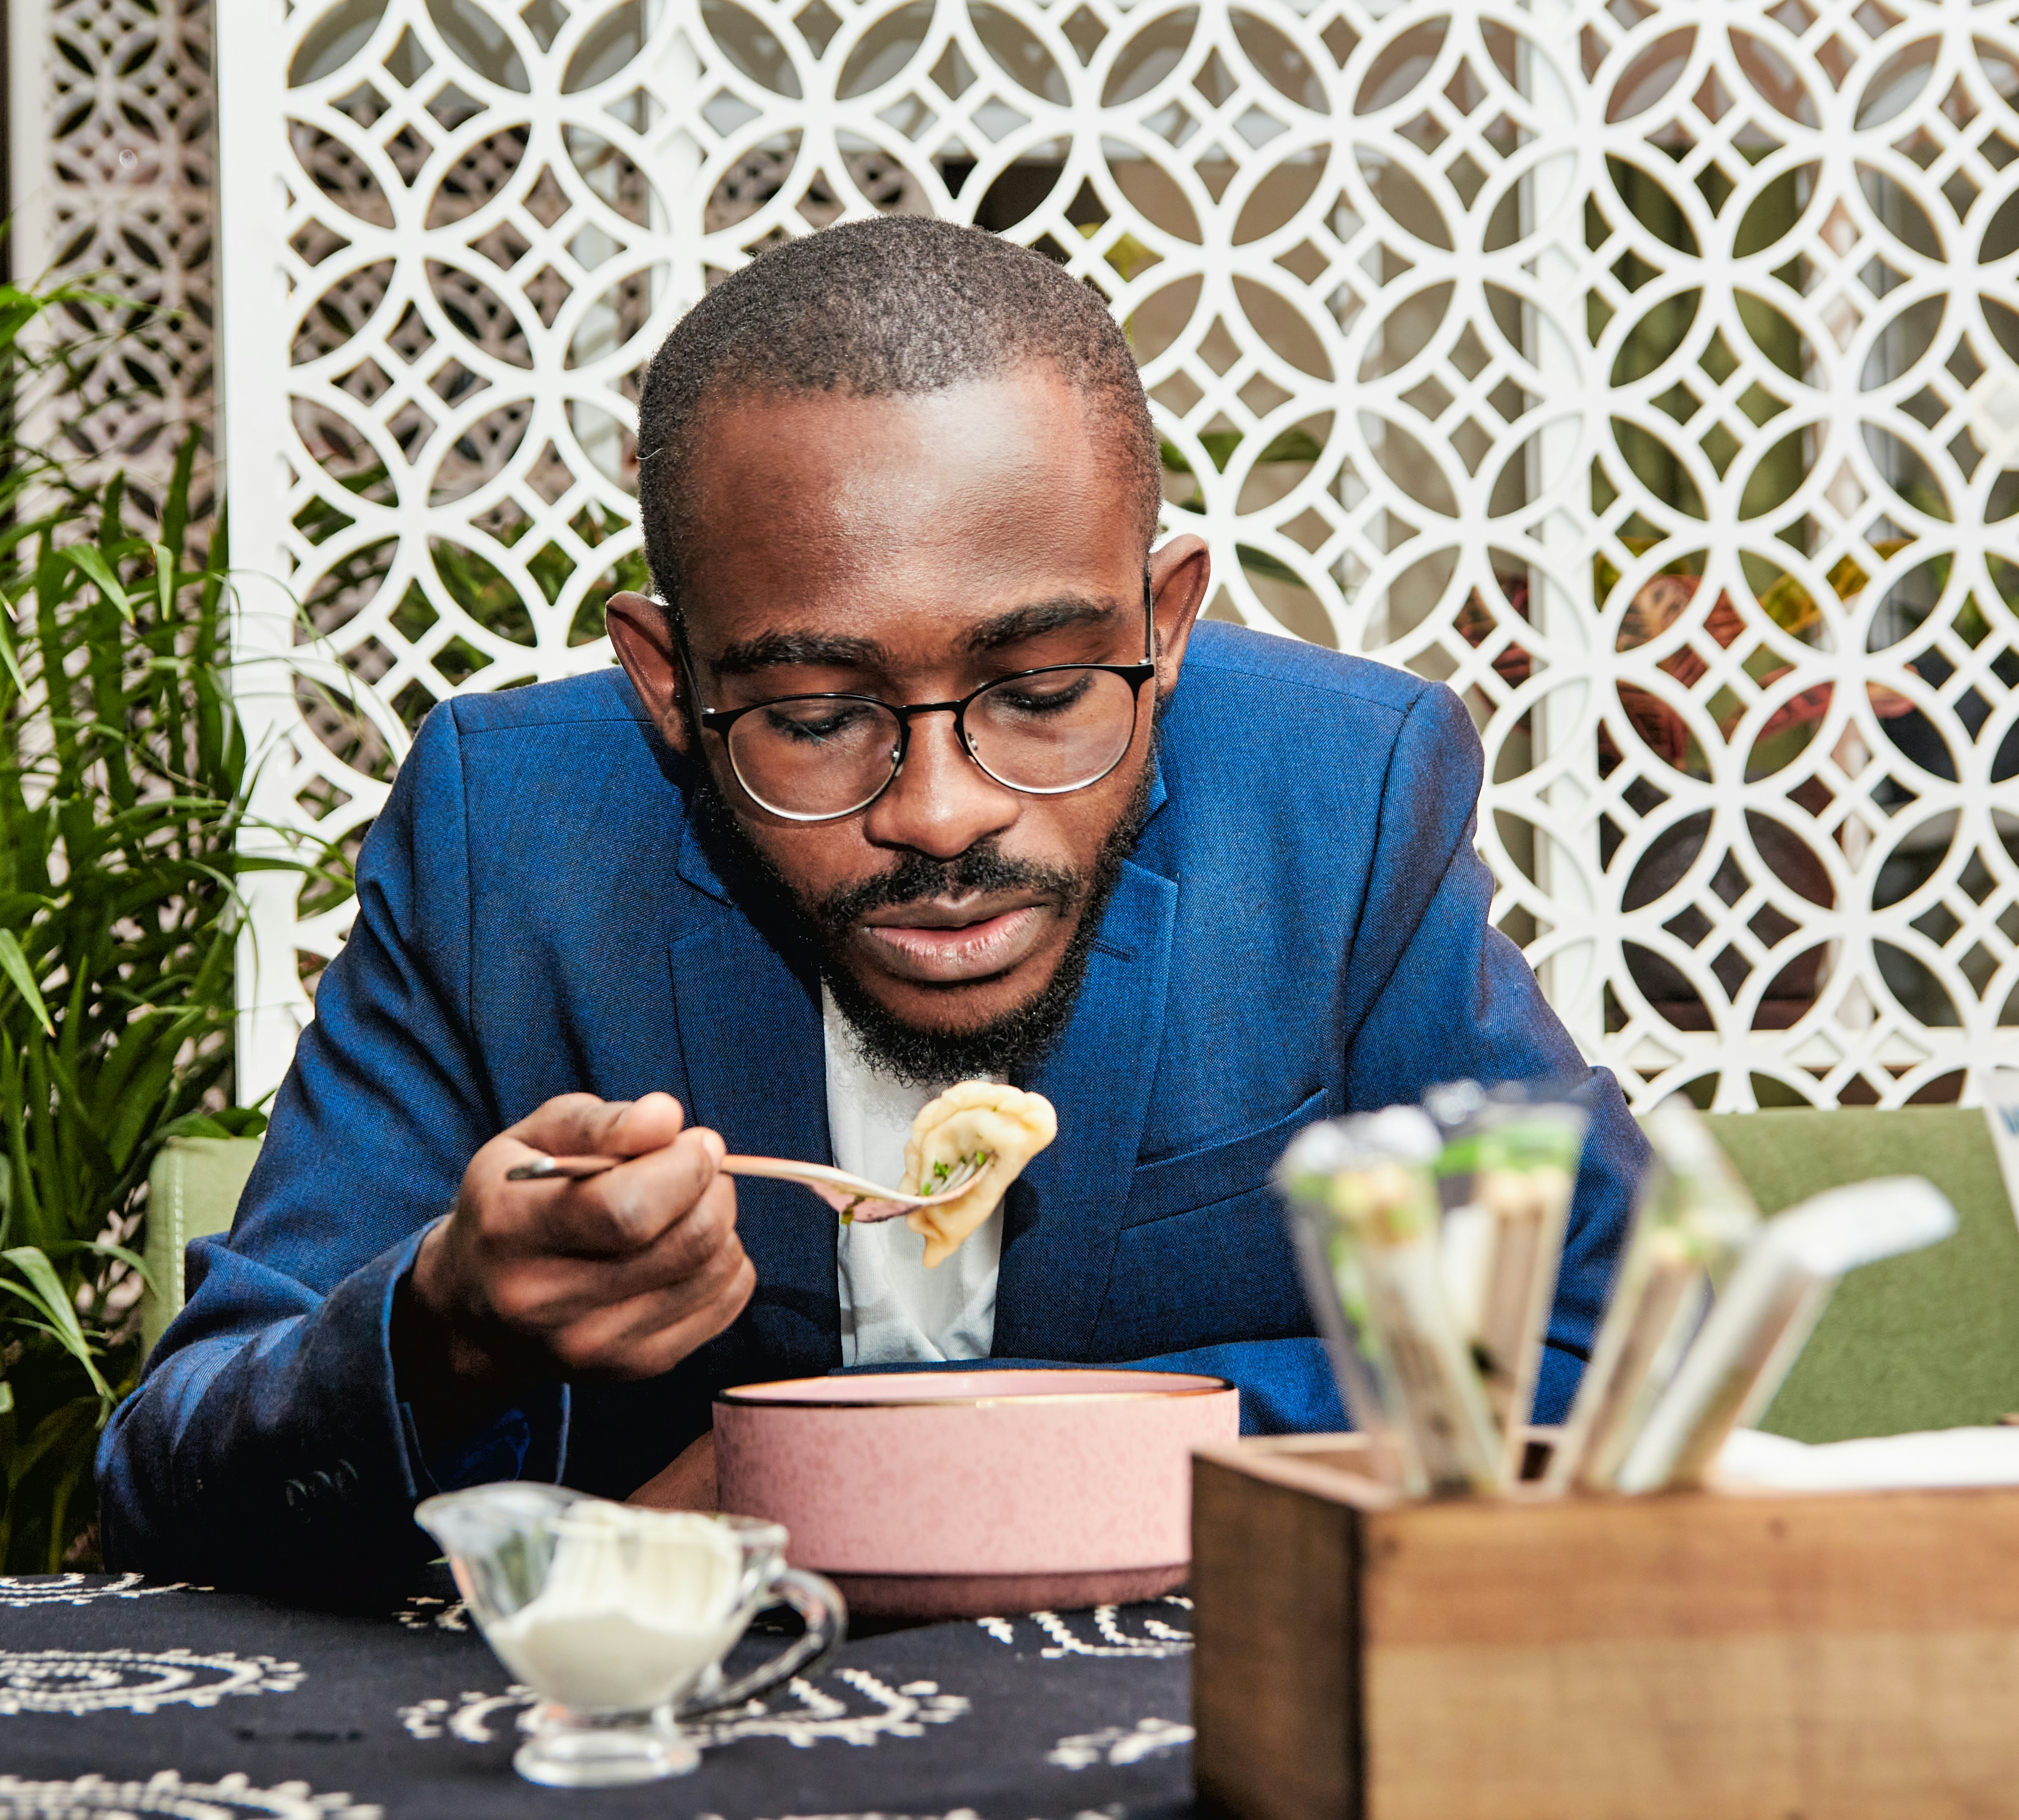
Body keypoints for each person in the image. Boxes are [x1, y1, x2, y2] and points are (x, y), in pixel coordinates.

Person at [97, 217, 1648, 1592]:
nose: (940, 814)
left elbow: (1608, 1358)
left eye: (1042, 691)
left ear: (1166, 627)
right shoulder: (511, 838)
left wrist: (861, 1481)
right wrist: (444, 1327)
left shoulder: (1341, 801)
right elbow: (171, 1474)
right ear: (668, 684)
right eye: (818, 716)